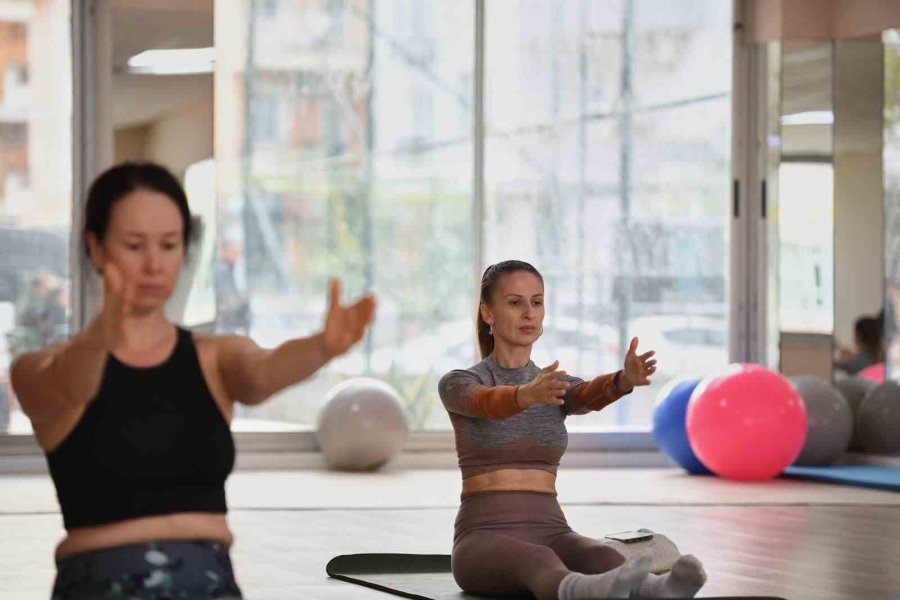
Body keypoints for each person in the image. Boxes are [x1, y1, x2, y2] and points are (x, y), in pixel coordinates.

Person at [10, 162, 376, 600]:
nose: (153, 264)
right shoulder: (38, 368)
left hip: (208, 583)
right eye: (133, 245)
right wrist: (109, 324)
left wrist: (322, 347)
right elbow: (75, 385)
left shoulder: (215, 358)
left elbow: (263, 372)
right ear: (95, 247)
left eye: (169, 244)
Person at [439, 260, 707, 600]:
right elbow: (485, 403)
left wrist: (623, 380)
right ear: (488, 313)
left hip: (551, 528)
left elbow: (586, 394)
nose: (528, 313)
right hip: (481, 537)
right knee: (539, 560)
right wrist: (525, 395)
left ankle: (658, 591)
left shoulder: (553, 386)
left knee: (602, 555)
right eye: (514, 302)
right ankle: (582, 592)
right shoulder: (460, 382)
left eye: (536, 302)